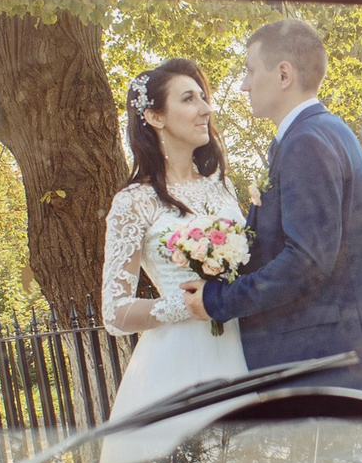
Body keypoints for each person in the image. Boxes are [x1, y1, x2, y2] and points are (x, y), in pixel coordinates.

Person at [184, 20, 362, 392]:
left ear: (283, 74)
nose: (244, 85)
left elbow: (307, 261)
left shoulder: (306, 142)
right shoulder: (323, 131)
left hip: (331, 368)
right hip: (340, 361)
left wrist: (220, 300)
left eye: (250, 71)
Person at [98, 58, 251, 418]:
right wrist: (188, 304)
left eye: (203, 97)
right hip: (178, 362)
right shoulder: (134, 201)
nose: (205, 109)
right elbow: (115, 313)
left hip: (244, 350)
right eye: (188, 99)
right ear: (155, 117)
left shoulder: (223, 188)